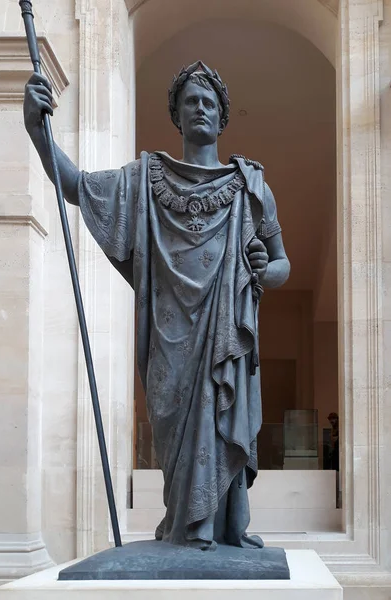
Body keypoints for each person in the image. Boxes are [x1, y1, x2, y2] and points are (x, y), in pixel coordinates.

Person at [23, 61, 290, 550]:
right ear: (177, 114)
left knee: (219, 419)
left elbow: (281, 266)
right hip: (170, 343)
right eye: (191, 101)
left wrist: (258, 267)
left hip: (225, 337)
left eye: (209, 102)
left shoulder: (251, 188)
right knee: (175, 441)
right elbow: (77, 186)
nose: (201, 108)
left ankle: (219, 528)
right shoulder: (146, 179)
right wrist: (39, 133)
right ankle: (185, 528)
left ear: (223, 115)